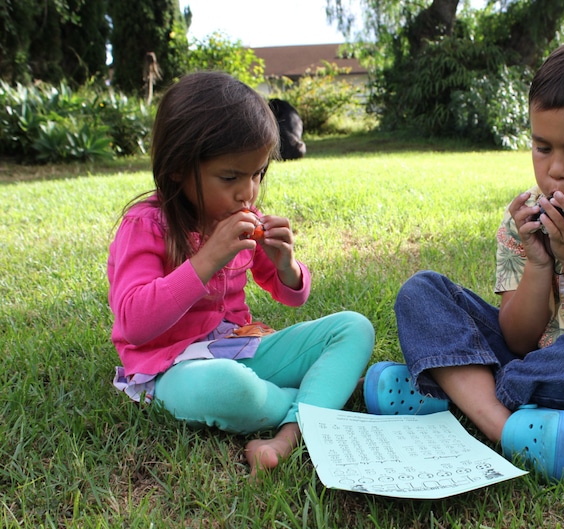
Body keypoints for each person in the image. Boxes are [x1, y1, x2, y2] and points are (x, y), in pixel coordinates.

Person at [363, 37, 564, 483]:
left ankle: (456, 387)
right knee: (423, 290)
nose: (555, 169)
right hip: (529, 356)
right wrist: (536, 262)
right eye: (542, 146)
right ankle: (505, 425)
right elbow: (516, 337)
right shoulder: (527, 213)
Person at [107, 71, 374, 475]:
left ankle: (287, 434)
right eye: (230, 177)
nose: (247, 192)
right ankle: (317, 398)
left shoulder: (240, 218)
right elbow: (134, 323)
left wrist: (287, 265)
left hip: (241, 347)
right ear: (179, 167)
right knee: (229, 388)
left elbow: (289, 294)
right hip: (172, 368)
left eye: (258, 175)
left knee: (354, 328)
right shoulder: (146, 226)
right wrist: (207, 258)